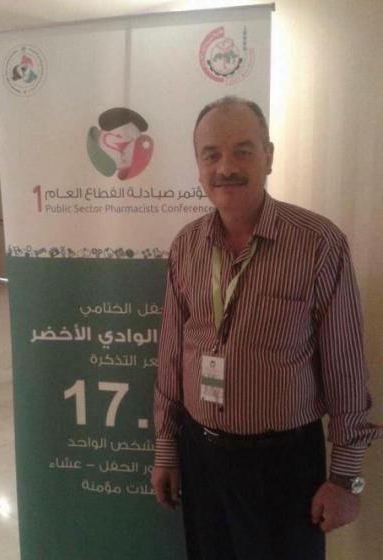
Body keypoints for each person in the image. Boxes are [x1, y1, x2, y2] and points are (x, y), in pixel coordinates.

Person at [152, 96, 382, 560]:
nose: (225, 167)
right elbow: (172, 356)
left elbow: (345, 368)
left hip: (283, 465)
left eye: (243, 150)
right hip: (201, 456)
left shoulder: (318, 243)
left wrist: (344, 479)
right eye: (211, 155)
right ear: (198, 165)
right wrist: (167, 450)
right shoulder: (185, 246)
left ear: (269, 156)